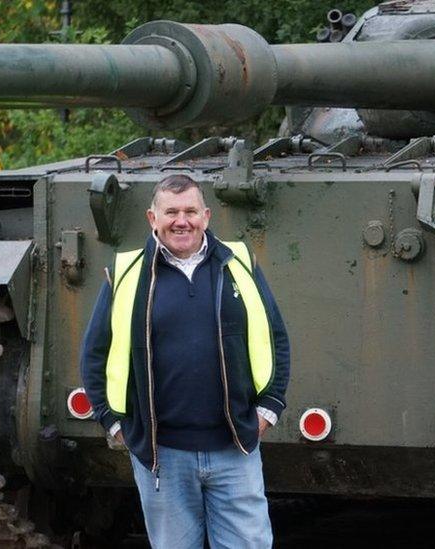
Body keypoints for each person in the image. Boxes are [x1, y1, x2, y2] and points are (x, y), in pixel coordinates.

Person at [80, 174, 290, 548]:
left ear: (206, 216)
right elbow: (95, 354)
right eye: (171, 212)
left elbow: (275, 336)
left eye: (191, 211)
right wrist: (113, 424)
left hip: (235, 448)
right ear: (152, 219)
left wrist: (269, 408)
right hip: (164, 455)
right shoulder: (128, 274)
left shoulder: (237, 264)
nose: (182, 221)